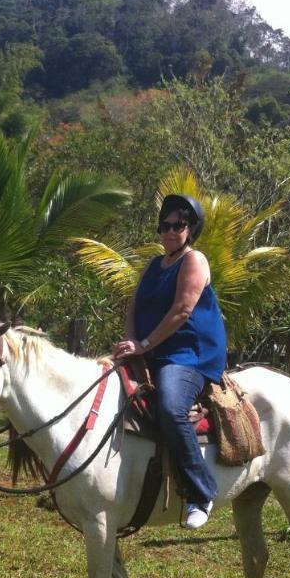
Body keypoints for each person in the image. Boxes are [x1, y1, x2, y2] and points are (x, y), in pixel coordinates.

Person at [113, 194, 226, 529]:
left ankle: (200, 492)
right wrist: (130, 344)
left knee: (171, 407)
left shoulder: (194, 261)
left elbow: (182, 311)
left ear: (190, 229)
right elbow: (133, 306)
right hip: (153, 350)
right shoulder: (153, 266)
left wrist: (144, 344)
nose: (170, 231)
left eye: (178, 225)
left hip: (189, 355)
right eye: (165, 225)